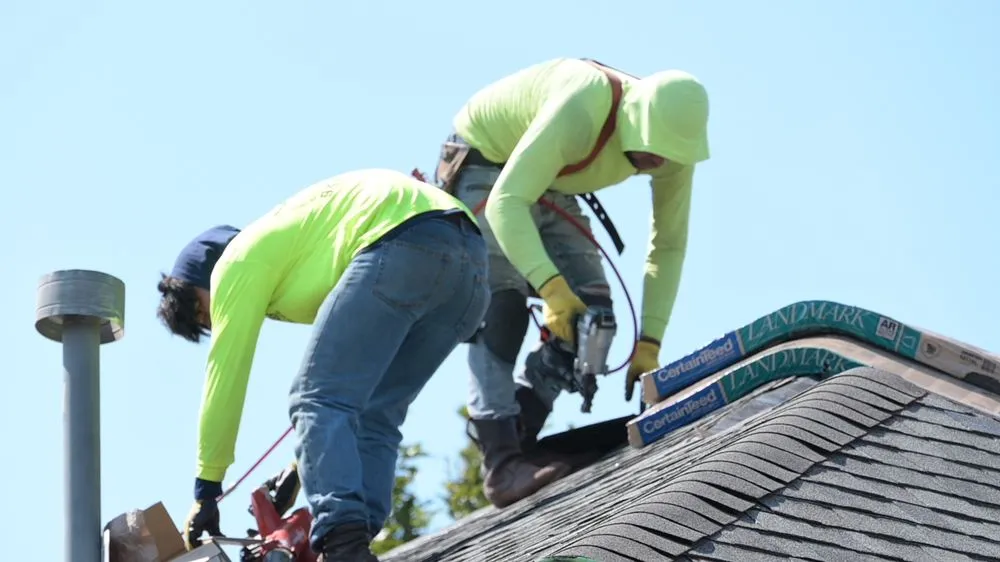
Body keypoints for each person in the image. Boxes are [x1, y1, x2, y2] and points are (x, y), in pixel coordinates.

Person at [155, 168, 490, 561]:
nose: (217, 324)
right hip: (469, 266)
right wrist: (304, 465)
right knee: (375, 414)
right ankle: (354, 538)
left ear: (202, 285)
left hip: (403, 241)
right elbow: (354, 390)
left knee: (313, 398)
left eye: (203, 316)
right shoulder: (297, 246)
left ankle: (343, 544)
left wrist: (206, 491)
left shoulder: (234, 263)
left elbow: (225, 380)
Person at [432, 57, 710, 507]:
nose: (656, 162)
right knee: (499, 307)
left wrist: (650, 342)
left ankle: (519, 426)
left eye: (665, 157)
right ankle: (501, 463)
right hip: (486, 162)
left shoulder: (674, 150)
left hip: (550, 179)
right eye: (651, 151)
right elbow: (506, 202)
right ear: (635, 121)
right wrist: (551, 289)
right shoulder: (584, 104)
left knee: (592, 321)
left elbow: (668, 247)